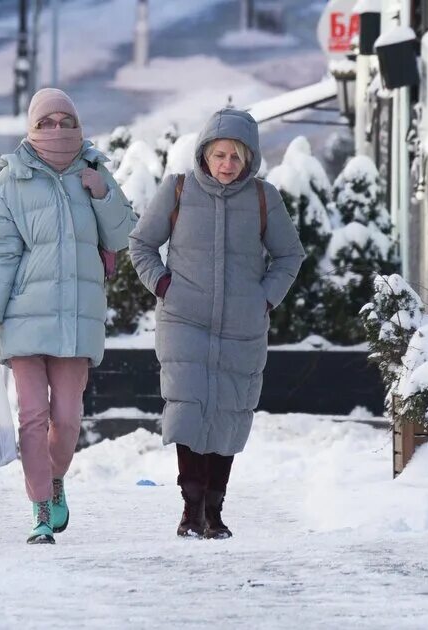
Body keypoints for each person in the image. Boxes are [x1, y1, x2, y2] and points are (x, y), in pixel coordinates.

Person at [128, 108, 305, 539]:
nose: (227, 164)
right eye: (220, 154)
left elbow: (290, 256)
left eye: (236, 158)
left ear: (249, 161)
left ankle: (215, 509)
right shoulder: (178, 189)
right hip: (184, 320)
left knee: (228, 413)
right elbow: (142, 244)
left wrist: (263, 299)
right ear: (205, 153)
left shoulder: (265, 199)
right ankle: (191, 510)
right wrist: (164, 285)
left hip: (241, 325)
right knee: (188, 409)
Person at [0, 88, 135, 544]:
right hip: (23, 315)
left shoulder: (95, 170)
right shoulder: (10, 181)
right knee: (32, 415)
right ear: (31, 127)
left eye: (66, 120)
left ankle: (55, 476)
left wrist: (102, 194)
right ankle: (41, 507)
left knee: (66, 419)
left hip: (77, 316)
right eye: (46, 122)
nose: (57, 129)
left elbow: (123, 235)